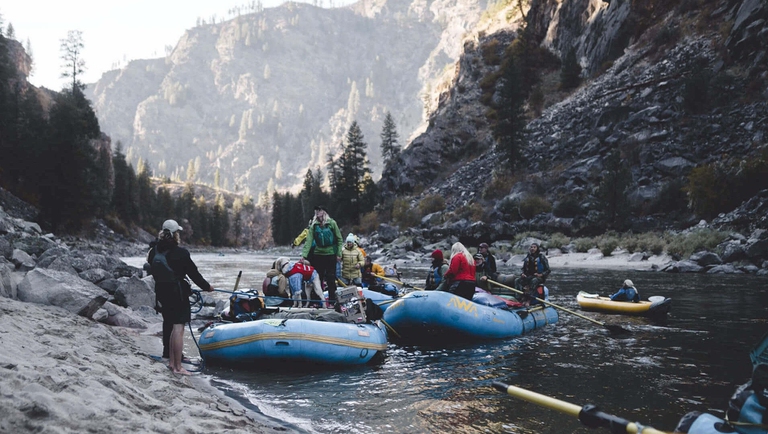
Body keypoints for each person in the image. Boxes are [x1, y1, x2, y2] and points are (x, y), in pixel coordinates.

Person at [148, 219, 214, 375]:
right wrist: (207, 287)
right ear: (174, 234)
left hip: (162, 294)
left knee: (171, 326)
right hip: (178, 294)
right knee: (178, 329)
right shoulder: (181, 253)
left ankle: (172, 363)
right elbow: (194, 274)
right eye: (178, 232)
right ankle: (178, 367)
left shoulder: (152, 252)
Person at [302, 205, 343, 305]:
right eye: (316, 210)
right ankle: (316, 301)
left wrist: (339, 253)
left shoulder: (332, 223)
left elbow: (339, 239)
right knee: (317, 278)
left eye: (319, 210)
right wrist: (304, 255)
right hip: (318, 254)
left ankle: (332, 301)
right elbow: (309, 241)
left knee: (331, 278)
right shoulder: (314, 225)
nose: (317, 212)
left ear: (324, 212)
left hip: (331, 254)